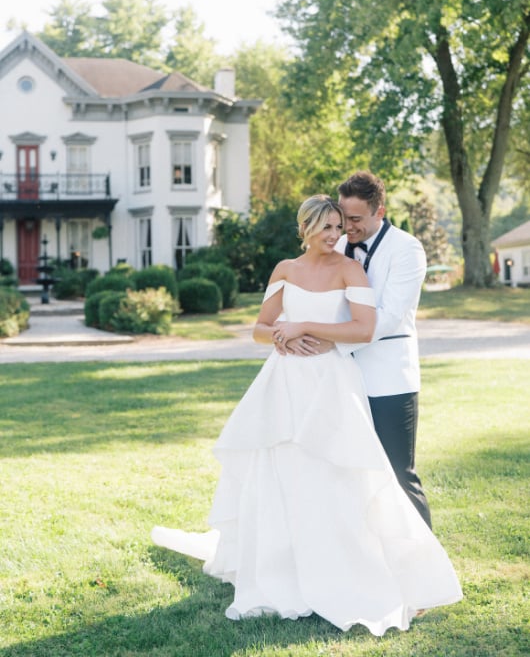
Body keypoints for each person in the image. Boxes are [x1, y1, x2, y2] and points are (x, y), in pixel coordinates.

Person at [152, 195, 462, 635]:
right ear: (306, 229)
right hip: (285, 383)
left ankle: (344, 567)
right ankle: (285, 570)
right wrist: (280, 337)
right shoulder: (285, 270)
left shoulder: (348, 269)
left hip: (331, 383)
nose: (337, 236)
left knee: (338, 474)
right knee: (285, 472)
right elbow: (259, 328)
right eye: (328, 228)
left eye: (340, 227)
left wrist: (305, 328)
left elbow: (363, 328)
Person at [279, 172, 432, 529]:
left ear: (381, 211)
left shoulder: (407, 249)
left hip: (389, 378)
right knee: (347, 470)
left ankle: (424, 560)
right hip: (338, 378)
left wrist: (334, 339)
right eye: (343, 218)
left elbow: (391, 317)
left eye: (356, 219)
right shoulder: (337, 243)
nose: (347, 227)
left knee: (397, 471)